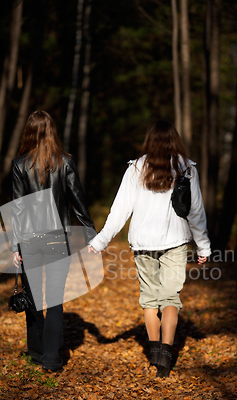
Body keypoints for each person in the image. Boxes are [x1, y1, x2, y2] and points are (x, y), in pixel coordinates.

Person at [88, 120, 211, 377]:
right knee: (170, 299)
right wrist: (203, 247)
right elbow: (195, 211)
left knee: (149, 299)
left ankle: (154, 352)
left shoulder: (136, 169)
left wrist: (101, 241)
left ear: (149, 141)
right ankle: (166, 355)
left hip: (143, 243)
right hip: (175, 242)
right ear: (174, 141)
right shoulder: (187, 168)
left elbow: (120, 210)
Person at [11, 110, 96, 372]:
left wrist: (15, 245)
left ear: (28, 132)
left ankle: (36, 353)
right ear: (52, 132)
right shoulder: (65, 162)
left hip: (29, 241)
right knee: (56, 300)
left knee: (34, 299)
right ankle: (53, 359)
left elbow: (17, 208)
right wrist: (92, 233)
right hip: (58, 240)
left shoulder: (19, 164)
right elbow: (78, 200)